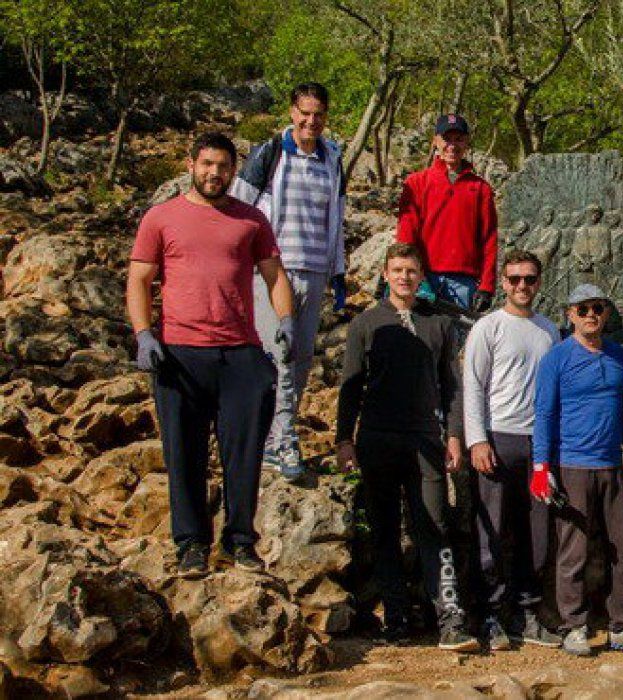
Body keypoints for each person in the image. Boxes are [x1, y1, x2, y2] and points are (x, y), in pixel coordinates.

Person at [127, 132, 295, 577]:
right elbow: (140, 279)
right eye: (206, 164)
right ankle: (190, 544)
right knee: (184, 453)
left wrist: (285, 320)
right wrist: (144, 334)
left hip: (240, 351)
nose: (214, 173)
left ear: (233, 171)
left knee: (244, 452)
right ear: (190, 165)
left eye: (222, 166)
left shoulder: (251, 220)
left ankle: (240, 541)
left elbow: (275, 275)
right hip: (180, 352)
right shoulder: (161, 218)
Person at [334, 242, 473, 650]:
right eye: (397, 270)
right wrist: (344, 439)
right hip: (377, 437)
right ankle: (396, 619)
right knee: (384, 530)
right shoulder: (365, 324)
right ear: (385, 274)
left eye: (411, 271)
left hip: (425, 438)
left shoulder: (439, 324)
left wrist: (454, 435)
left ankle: (450, 619)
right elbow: (350, 386)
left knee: (434, 526)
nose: (404, 277)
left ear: (421, 275)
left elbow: (452, 386)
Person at [229, 82, 348, 483]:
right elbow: (237, 207)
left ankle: (274, 436)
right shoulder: (270, 153)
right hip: (271, 269)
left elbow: (337, 216)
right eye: (305, 113)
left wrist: (338, 271)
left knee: (300, 359)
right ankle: (281, 438)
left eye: (318, 114)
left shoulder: (333, 159)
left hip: (314, 270)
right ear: (292, 112)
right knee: (276, 352)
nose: (311, 121)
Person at [530, 284, 623, 658]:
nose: (591, 315)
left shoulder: (616, 354)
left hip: (611, 465)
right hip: (572, 465)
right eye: (582, 309)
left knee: (622, 548)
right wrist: (541, 465)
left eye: (597, 308)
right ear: (570, 315)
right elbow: (544, 412)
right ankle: (574, 625)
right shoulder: (557, 358)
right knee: (574, 551)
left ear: (606, 313)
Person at [461, 250, 562, 650]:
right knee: (493, 529)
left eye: (530, 279)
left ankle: (526, 612)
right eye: (515, 279)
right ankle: (489, 614)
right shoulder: (487, 328)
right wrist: (477, 439)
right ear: (503, 282)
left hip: (538, 443)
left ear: (539, 283)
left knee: (536, 532)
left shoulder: (549, 330)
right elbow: (472, 385)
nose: (522, 286)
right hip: (498, 438)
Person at [396, 114, 498, 314]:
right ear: (435, 141)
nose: (452, 145)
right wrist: (406, 271)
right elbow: (406, 235)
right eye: (446, 139)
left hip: (464, 283)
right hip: (423, 279)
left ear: (466, 142)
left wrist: (487, 285)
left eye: (458, 139)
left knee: (457, 334)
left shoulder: (481, 189)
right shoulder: (416, 183)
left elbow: (489, 239)